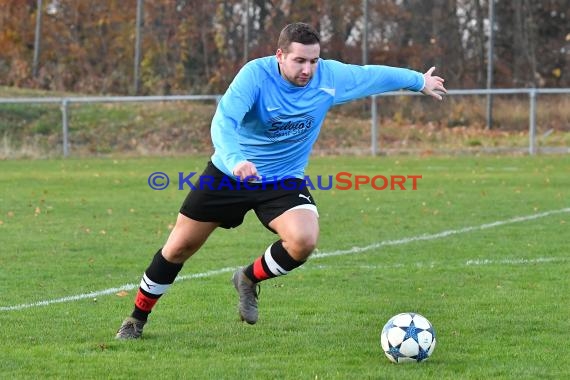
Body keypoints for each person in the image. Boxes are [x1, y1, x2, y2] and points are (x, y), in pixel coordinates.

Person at [116, 22, 447, 339]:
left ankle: (247, 278)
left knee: (304, 240)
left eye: (314, 61)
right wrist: (236, 160)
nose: (308, 69)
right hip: (231, 174)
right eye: (299, 60)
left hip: (283, 180)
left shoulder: (328, 77)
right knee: (179, 247)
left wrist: (418, 81)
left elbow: (370, 76)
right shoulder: (255, 76)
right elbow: (224, 121)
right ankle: (136, 319)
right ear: (280, 56)